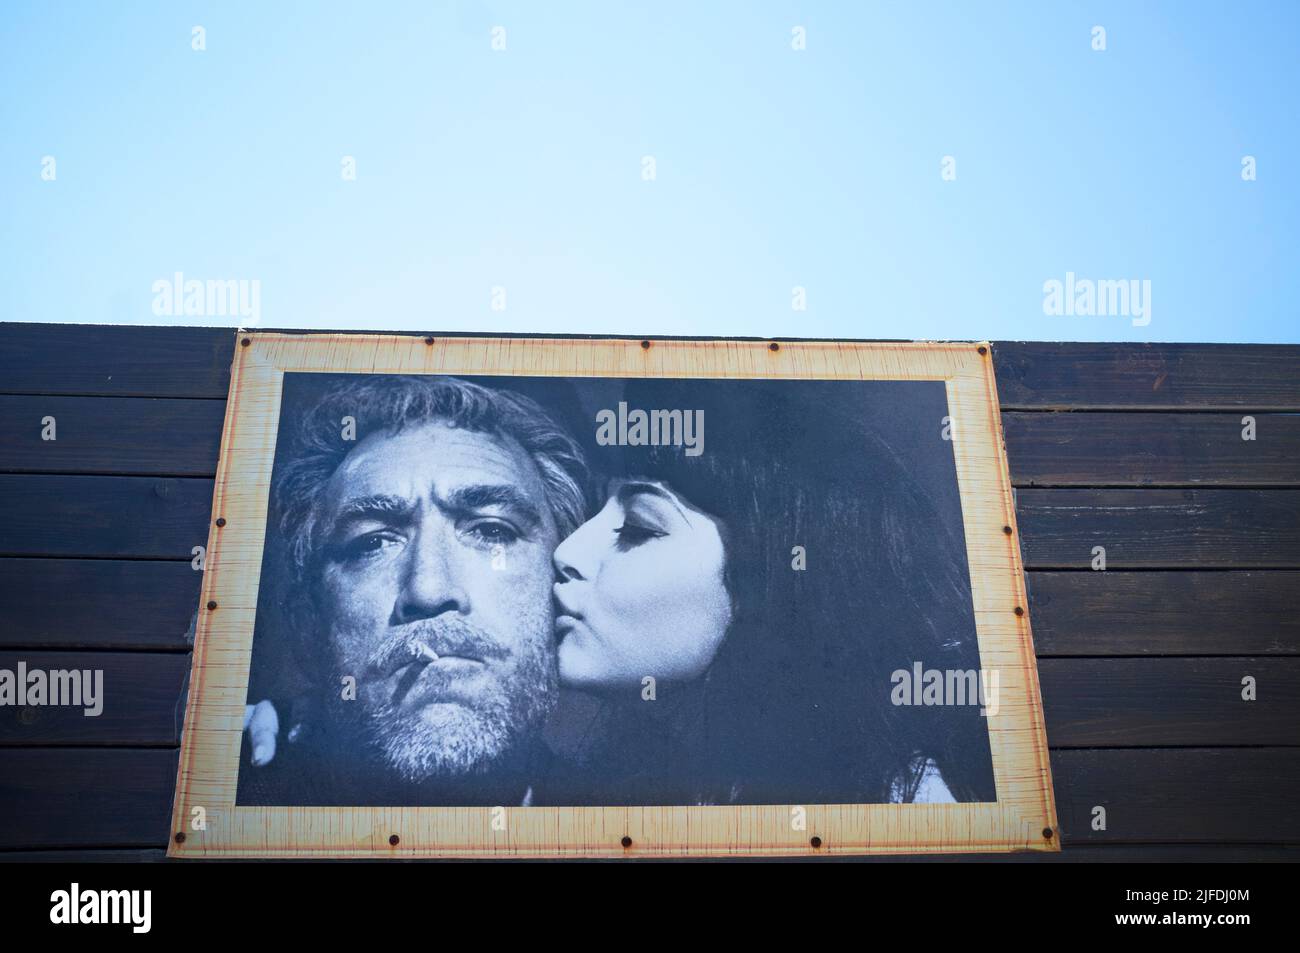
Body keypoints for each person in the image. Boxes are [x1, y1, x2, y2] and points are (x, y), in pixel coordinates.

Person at [546, 378, 994, 805]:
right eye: (594, 513)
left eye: (638, 529)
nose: (567, 550)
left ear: (766, 581)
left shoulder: (909, 813)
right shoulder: (648, 783)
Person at [236, 374, 588, 806]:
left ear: (566, 591)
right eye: (372, 542)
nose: (428, 590)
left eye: (492, 529)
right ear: (306, 627)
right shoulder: (247, 793)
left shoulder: (637, 813)